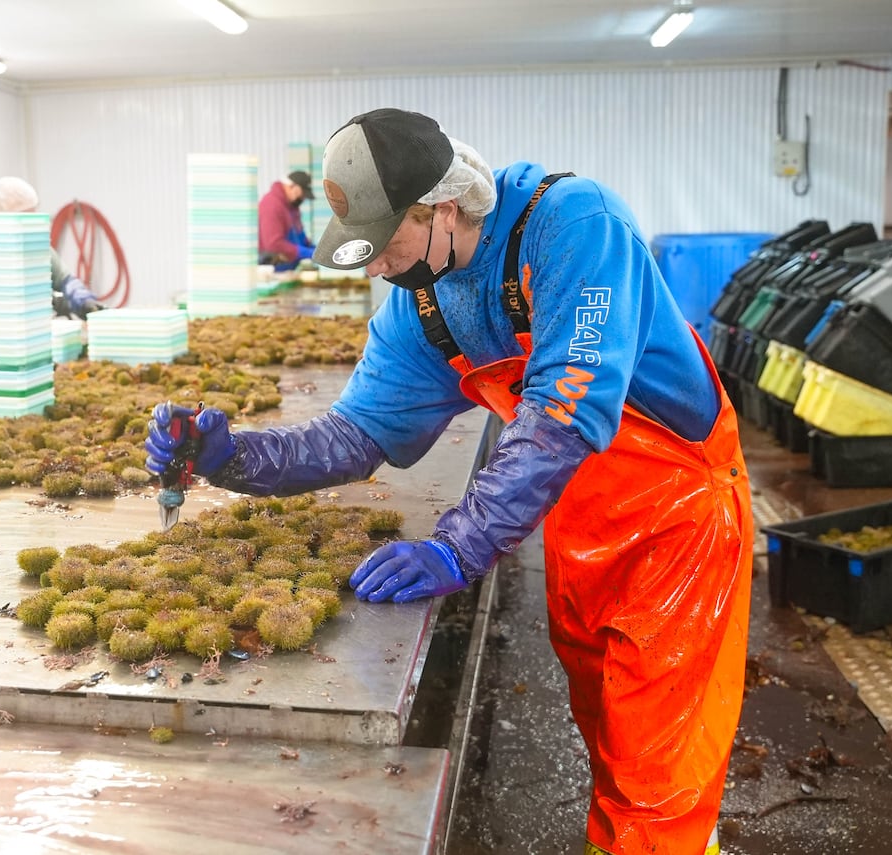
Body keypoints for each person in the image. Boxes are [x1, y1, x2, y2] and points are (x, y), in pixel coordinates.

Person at [145, 108, 753, 855]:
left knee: (658, 752)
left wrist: (459, 546)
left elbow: (562, 413)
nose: (375, 269)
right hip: (575, 505)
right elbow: (352, 435)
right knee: (605, 707)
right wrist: (232, 458)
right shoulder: (424, 304)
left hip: (676, 507)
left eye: (382, 247)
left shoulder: (573, 227)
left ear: (440, 209)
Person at [0, 176, 104, 318]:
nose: (32, 224)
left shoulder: (37, 248)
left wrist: (83, 300)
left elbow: (65, 281)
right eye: (24, 218)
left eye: (33, 216)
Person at [257, 170, 315, 271]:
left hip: (289, 268)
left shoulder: (291, 206)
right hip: (274, 269)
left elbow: (299, 234)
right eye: (302, 194)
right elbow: (273, 244)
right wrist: (303, 252)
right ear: (292, 186)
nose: (302, 198)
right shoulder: (272, 205)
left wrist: (310, 247)